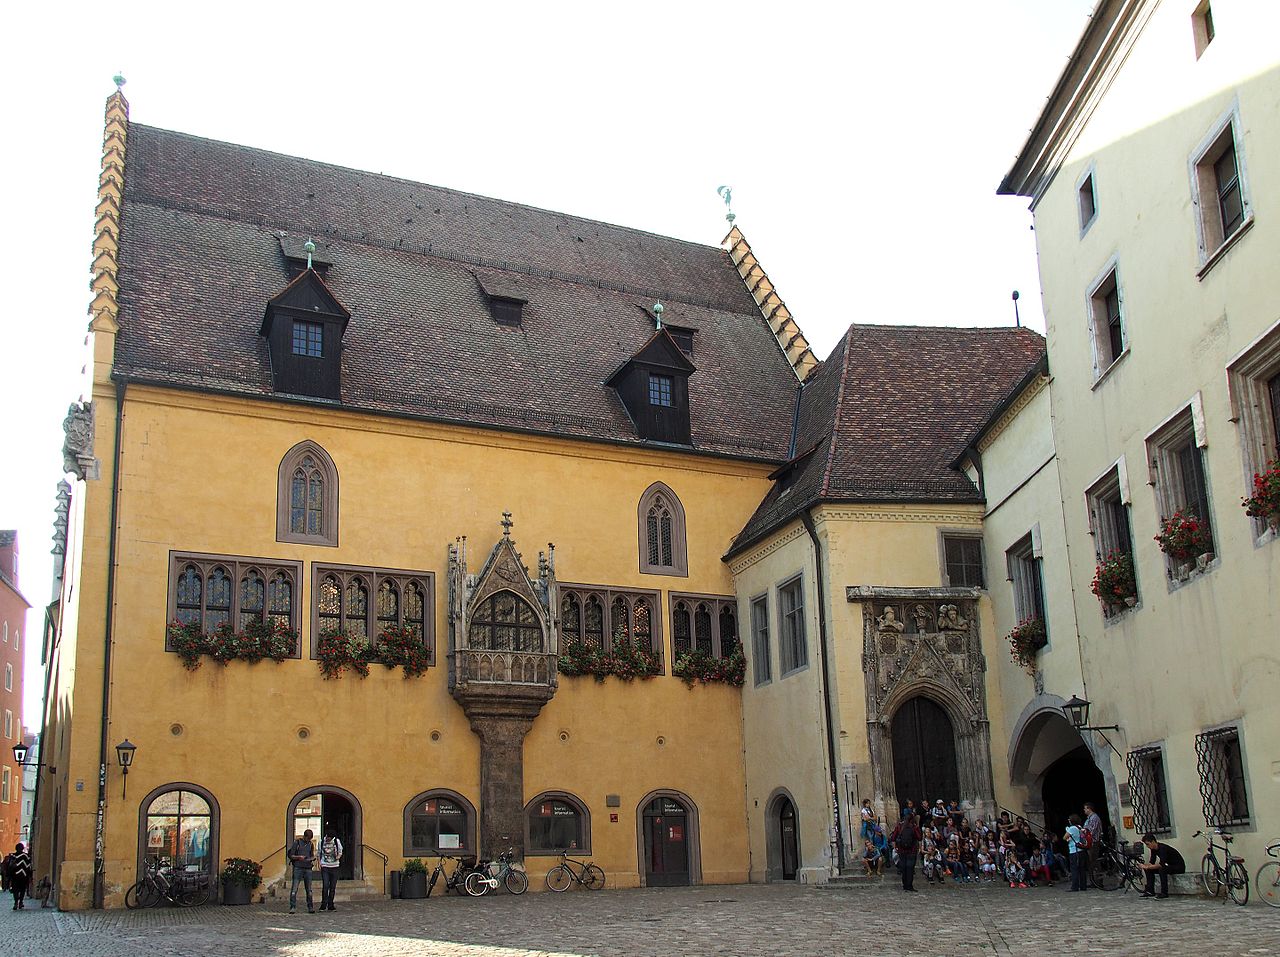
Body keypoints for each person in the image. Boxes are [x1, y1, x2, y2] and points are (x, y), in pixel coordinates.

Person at [1137, 833, 1185, 899]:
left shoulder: (1163, 848)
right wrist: (1145, 866)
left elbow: (1161, 864)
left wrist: (1147, 866)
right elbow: (1152, 862)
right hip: (1170, 866)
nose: (1147, 846)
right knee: (1149, 869)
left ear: (1153, 842)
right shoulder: (1153, 849)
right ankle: (1150, 891)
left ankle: (1164, 893)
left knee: (1162, 869)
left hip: (1178, 867)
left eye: (1148, 844)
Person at [890, 810, 922, 892]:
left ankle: (905, 885)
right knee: (910, 869)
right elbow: (919, 837)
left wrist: (895, 848)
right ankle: (909, 886)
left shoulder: (899, 826)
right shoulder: (914, 827)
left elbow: (893, 838)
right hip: (912, 850)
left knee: (904, 868)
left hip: (902, 850)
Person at [288, 828, 316, 914]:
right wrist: (299, 857)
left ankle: (310, 907)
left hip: (308, 868)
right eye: (308, 838)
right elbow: (291, 855)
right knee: (294, 888)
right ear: (304, 836)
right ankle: (292, 907)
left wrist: (312, 858)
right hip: (298, 867)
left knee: (309, 889)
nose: (308, 840)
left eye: (310, 839)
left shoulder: (311, 844)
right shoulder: (297, 843)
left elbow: (311, 855)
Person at [318, 825, 344, 911]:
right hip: (325, 866)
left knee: (332, 887)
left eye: (330, 838)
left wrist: (338, 857)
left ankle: (331, 904)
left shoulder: (336, 842)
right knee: (325, 886)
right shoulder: (321, 842)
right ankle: (323, 904)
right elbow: (319, 853)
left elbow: (340, 851)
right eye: (328, 837)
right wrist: (319, 864)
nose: (329, 839)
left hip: (335, 866)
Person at [1065, 814, 1087, 892]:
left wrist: (1067, 830)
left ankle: (1075, 886)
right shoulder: (1080, 827)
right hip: (1081, 850)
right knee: (1082, 869)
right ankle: (1083, 886)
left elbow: (1065, 837)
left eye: (1069, 820)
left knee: (1074, 869)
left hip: (1074, 851)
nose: (1068, 821)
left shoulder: (1072, 828)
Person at [7, 843, 31, 910]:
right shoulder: (26, 856)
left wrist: (9, 876)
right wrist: (29, 876)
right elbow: (29, 867)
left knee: (15, 890)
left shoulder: (13, 856)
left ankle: (16, 902)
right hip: (24, 877)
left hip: (15, 877)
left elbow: (9, 867)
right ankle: (20, 902)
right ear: (23, 848)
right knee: (22, 890)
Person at [1082, 803, 1103, 873]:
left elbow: (1091, 831)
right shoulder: (1089, 818)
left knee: (1094, 861)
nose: (1084, 810)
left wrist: (1084, 833)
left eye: (1085, 808)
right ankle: (1094, 879)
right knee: (1091, 861)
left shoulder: (1094, 818)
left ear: (1089, 809)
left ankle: (1097, 881)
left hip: (1093, 842)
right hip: (1090, 842)